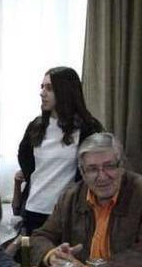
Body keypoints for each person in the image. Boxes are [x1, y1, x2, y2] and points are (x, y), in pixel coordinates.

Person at [29, 133, 142, 267]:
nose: (102, 176)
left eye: (109, 166)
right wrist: (52, 256)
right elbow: (39, 237)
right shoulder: (70, 197)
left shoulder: (138, 192)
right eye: (92, 169)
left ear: (121, 166)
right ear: (82, 172)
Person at [16, 66, 103, 235]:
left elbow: (91, 171)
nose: (42, 93)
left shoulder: (87, 128)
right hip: (35, 207)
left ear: (65, 91)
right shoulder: (36, 125)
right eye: (42, 87)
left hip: (69, 212)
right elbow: (25, 158)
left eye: (49, 88)